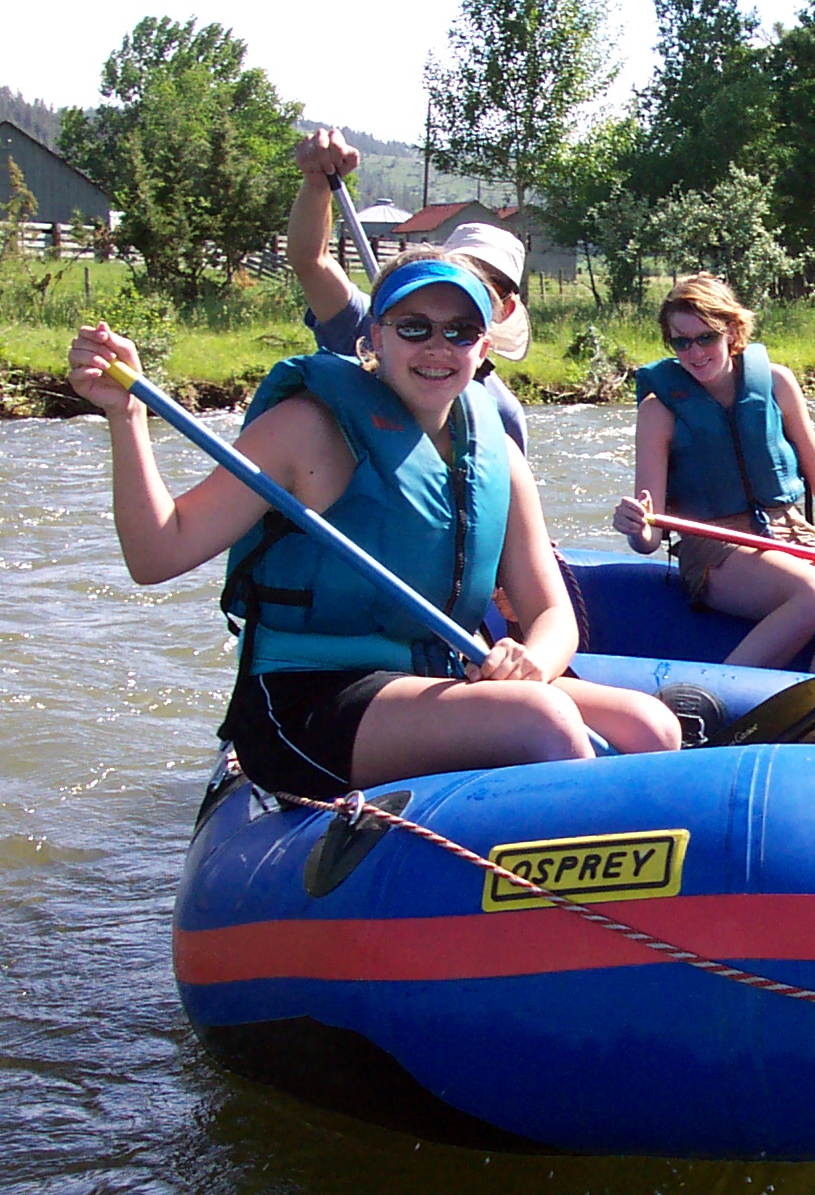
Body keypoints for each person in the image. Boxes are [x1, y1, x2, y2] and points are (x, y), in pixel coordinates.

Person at [68, 254, 678, 801]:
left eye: (459, 332)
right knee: (540, 720)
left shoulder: (499, 458)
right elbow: (157, 554)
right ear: (375, 339)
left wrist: (535, 665)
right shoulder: (305, 428)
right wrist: (127, 415)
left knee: (651, 725)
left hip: (433, 681)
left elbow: (552, 616)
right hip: (307, 699)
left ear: (483, 347)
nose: (437, 348)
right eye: (414, 328)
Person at [611, 274, 815, 673]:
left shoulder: (777, 383)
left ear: (731, 331)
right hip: (715, 547)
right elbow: (651, 536)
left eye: (705, 338)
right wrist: (636, 527)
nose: (694, 353)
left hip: (791, 534)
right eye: (681, 342)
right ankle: (712, 700)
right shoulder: (657, 411)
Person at [287, 129, 533, 451]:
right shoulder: (374, 324)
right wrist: (317, 183)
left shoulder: (502, 415)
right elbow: (311, 261)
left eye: (490, 284)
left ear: (506, 310)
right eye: (464, 271)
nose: (473, 287)